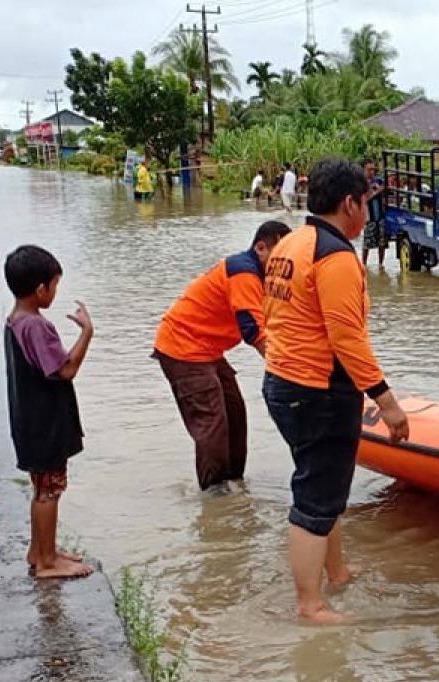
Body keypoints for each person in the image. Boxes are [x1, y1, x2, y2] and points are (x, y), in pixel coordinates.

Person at [262, 157, 409, 624]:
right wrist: (387, 402)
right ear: (350, 203)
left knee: (325, 483)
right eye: (366, 202)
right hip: (318, 390)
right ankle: (311, 604)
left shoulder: (292, 243)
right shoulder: (336, 256)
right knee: (316, 495)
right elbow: (347, 338)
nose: (368, 211)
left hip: (284, 381)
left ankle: (337, 571)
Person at [153, 221, 292, 491]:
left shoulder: (263, 277)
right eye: (280, 253)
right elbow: (253, 331)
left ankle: (235, 483)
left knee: (235, 411)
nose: (284, 262)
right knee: (212, 423)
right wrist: (287, 374)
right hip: (183, 346)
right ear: (260, 248)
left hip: (206, 349)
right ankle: (215, 500)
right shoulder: (243, 272)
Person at [3, 245, 94, 579]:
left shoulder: (15, 321)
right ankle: (46, 563)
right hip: (44, 425)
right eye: (54, 285)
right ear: (41, 289)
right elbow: (65, 370)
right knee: (49, 491)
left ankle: (41, 550)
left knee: (42, 488)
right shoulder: (36, 327)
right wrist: (87, 332)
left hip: (29, 422)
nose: (55, 292)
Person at [361, 159, 387, 268]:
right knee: (367, 243)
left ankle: (381, 265)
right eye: (369, 170)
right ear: (363, 170)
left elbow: (386, 188)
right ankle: (363, 265)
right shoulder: (360, 184)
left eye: (373, 170)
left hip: (380, 216)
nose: (372, 172)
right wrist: (376, 192)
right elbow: (363, 200)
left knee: (382, 243)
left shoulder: (378, 181)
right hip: (369, 217)